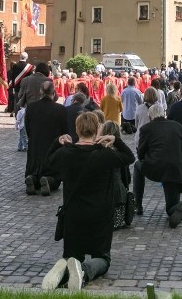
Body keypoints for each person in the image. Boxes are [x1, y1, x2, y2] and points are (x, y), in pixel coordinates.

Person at [42, 112, 135, 291]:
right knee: (102, 258)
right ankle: (84, 270)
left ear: (77, 129)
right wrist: (115, 140)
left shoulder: (66, 152)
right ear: (97, 129)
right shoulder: (105, 154)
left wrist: (57, 142)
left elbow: (46, 164)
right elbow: (129, 158)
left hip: (73, 214)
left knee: (72, 255)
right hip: (100, 214)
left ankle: (65, 269)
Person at [132, 103, 182, 228]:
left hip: (155, 168)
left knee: (137, 166)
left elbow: (141, 153)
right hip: (175, 169)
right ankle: (175, 208)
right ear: (164, 113)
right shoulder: (177, 126)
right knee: (171, 207)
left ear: (150, 116)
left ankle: (138, 204)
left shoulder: (146, 129)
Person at [24, 81, 68, 196]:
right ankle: (48, 180)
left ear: (40, 92)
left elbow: (27, 129)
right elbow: (65, 132)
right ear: (53, 92)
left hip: (35, 147)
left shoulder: (31, 107)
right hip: (53, 148)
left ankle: (32, 178)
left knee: (34, 171)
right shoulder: (60, 109)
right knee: (54, 177)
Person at [101, 121, 133, 230]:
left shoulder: (99, 152)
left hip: (103, 198)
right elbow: (127, 179)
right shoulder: (120, 154)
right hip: (119, 196)